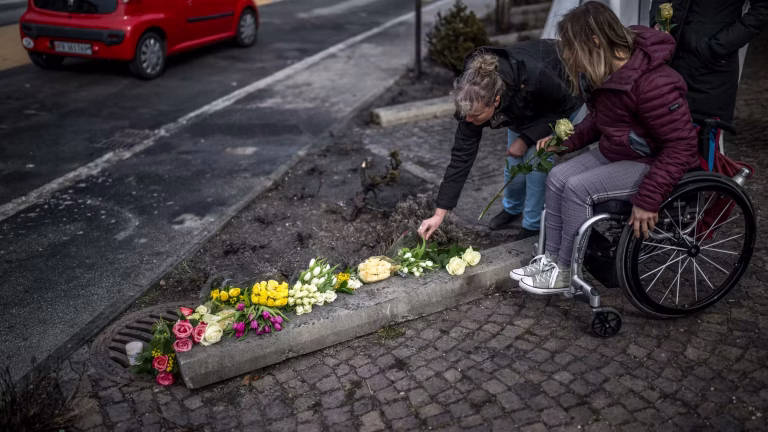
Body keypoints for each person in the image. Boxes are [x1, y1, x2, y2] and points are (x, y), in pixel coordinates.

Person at [510, 2, 699, 292]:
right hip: (619, 151)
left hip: (650, 160)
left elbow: (681, 146)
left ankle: (564, 271)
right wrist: (565, 143)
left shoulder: (653, 83)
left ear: (595, 42)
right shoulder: (605, 71)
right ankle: (550, 260)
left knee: (577, 188)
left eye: (573, 48)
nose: (569, 56)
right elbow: (600, 122)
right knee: (558, 177)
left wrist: (648, 199)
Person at [417, 40, 581, 242]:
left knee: (535, 161)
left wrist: (525, 138)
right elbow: (461, 157)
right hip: (521, 107)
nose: (469, 121)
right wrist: (439, 214)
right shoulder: (472, 100)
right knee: (513, 162)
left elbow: (564, 105)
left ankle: (532, 224)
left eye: (476, 116)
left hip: (559, 99)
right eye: (467, 116)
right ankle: (512, 208)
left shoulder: (535, 76)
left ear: (495, 100)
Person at [649, 0, 768, 124]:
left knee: (701, 136)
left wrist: (719, 47)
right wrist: (659, 22)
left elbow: (762, 10)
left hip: (710, 69)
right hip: (669, 60)